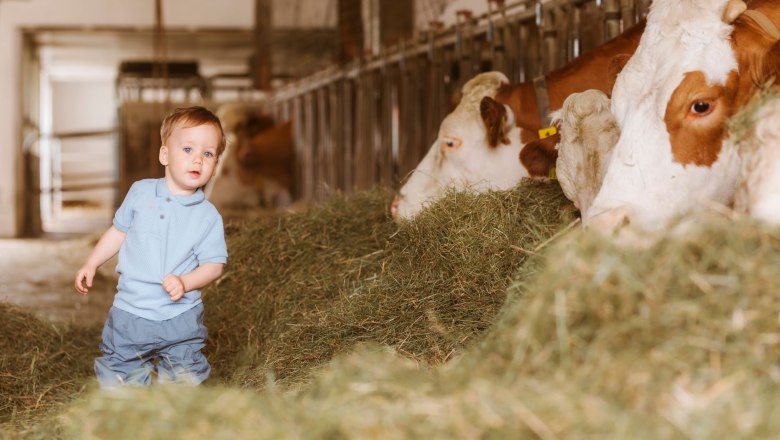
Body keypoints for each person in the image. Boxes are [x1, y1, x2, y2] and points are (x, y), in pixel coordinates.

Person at [74, 106, 228, 387]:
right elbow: (118, 232)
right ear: (164, 155)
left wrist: (185, 282)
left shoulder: (208, 216)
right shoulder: (140, 191)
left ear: (216, 165)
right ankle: (127, 419)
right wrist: (92, 262)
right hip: (131, 311)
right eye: (188, 149)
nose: (198, 159)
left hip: (180, 316)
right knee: (120, 373)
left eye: (208, 153)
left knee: (184, 377)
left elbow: (214, 265)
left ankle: (173, 420)